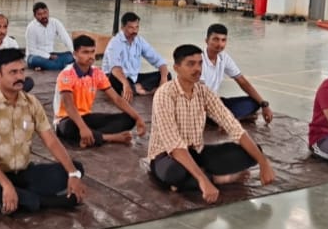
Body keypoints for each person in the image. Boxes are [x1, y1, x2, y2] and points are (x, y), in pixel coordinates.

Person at [148, 44, 275, 203]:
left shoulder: (204, 92)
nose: (197, 69)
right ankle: (217, 178)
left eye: (200, 63)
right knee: (174, 173)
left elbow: (233, 126)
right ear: (177, 68)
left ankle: (190, 181)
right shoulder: (164, 94)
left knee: (255, 152)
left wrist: (264, 163)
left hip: (196, 151)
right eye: (191, 64)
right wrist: (204, 180)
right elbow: (174, 146)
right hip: (168, 156)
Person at [0, 48, 87, 214]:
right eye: (13, 72)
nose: (20, 77)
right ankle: (46, 202)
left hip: (23, 173)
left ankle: (20, 199)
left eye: (22, 71)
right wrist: (5, 184)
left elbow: (51, 140)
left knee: (76, 168)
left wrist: (73, 174)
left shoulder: (31, 103)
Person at [54, 35, 145, 147]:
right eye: (85, 52)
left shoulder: (97, 72)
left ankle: (90, 137)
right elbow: (69, 106)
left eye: (92, 52)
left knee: (129, 118)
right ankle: (110, 137)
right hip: (67, 120)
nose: (90, 56)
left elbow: (116, 98)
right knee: (69, 128)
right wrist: (83, 128)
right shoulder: (66, 74)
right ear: (75, 54)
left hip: (86, 117)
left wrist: (138, 118)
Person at [201, 24, 273, 122]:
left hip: (215, 102)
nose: (220, 44)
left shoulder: (223, 57)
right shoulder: (198, 60)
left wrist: (264, 104)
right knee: (216, 113)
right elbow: (201, 93)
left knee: (254, 102)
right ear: (206, 41)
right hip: (200, 105)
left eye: (223, 40)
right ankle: (224, 118)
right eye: (215, 39)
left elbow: (242, 81)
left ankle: (226, 117)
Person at [103, 12, 170, 101]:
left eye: (137, 27)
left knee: (167, 74)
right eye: (131, 27)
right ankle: (143, 90)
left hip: (133, 78)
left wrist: (163, 79)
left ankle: (136, 89)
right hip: (117, 76)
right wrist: (126, 84)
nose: (135, 31)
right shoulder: (115, 42)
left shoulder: (139, 41)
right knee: (113, 79)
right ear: (122, 28)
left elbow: (159, 60)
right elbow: (115, 69)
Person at [25, 1, 75, 70]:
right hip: (34, 56)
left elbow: (66, 38)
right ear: (35, 15)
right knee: (36, 61)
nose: (43, 16)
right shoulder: (31, 27)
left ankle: (50, 66)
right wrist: (48, 56)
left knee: (70, 56)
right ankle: (61, 66)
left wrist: (74, 52)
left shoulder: (55, 22)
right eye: (39, 14)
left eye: (45, 13)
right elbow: (32, 50)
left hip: (51, 54)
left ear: (48, 11)